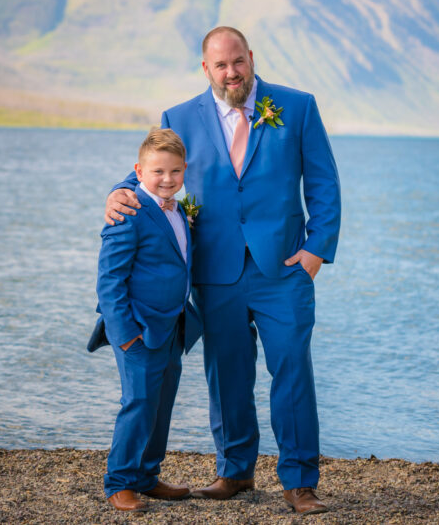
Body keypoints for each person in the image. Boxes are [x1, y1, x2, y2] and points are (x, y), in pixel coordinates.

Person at [105, 27, 341, 515]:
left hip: (284, 269)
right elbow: (152, 170)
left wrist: (318, 250)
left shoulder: (297, 107)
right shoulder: (179, 117)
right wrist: (118, 191)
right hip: (216, 270)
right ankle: (235, 470)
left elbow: (323, 182)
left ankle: (300, 481)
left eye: (238, 61)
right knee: (227, 373)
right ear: (205, 69)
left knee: (292, 369)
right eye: (220, 65)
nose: (231, 72)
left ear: (250, 58)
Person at [87, 127, 203, 512]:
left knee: (162, 402)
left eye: (174, 172)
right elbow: (109, 280)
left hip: (172, 327)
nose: (167, 180)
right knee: (138, 402)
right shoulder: (129, 210)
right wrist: (124, 335)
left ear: (184, 170)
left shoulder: (179, 210)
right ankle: (119, 482)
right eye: (157, 173)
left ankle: (147, 476)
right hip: (137, 329)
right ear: (138, 171)